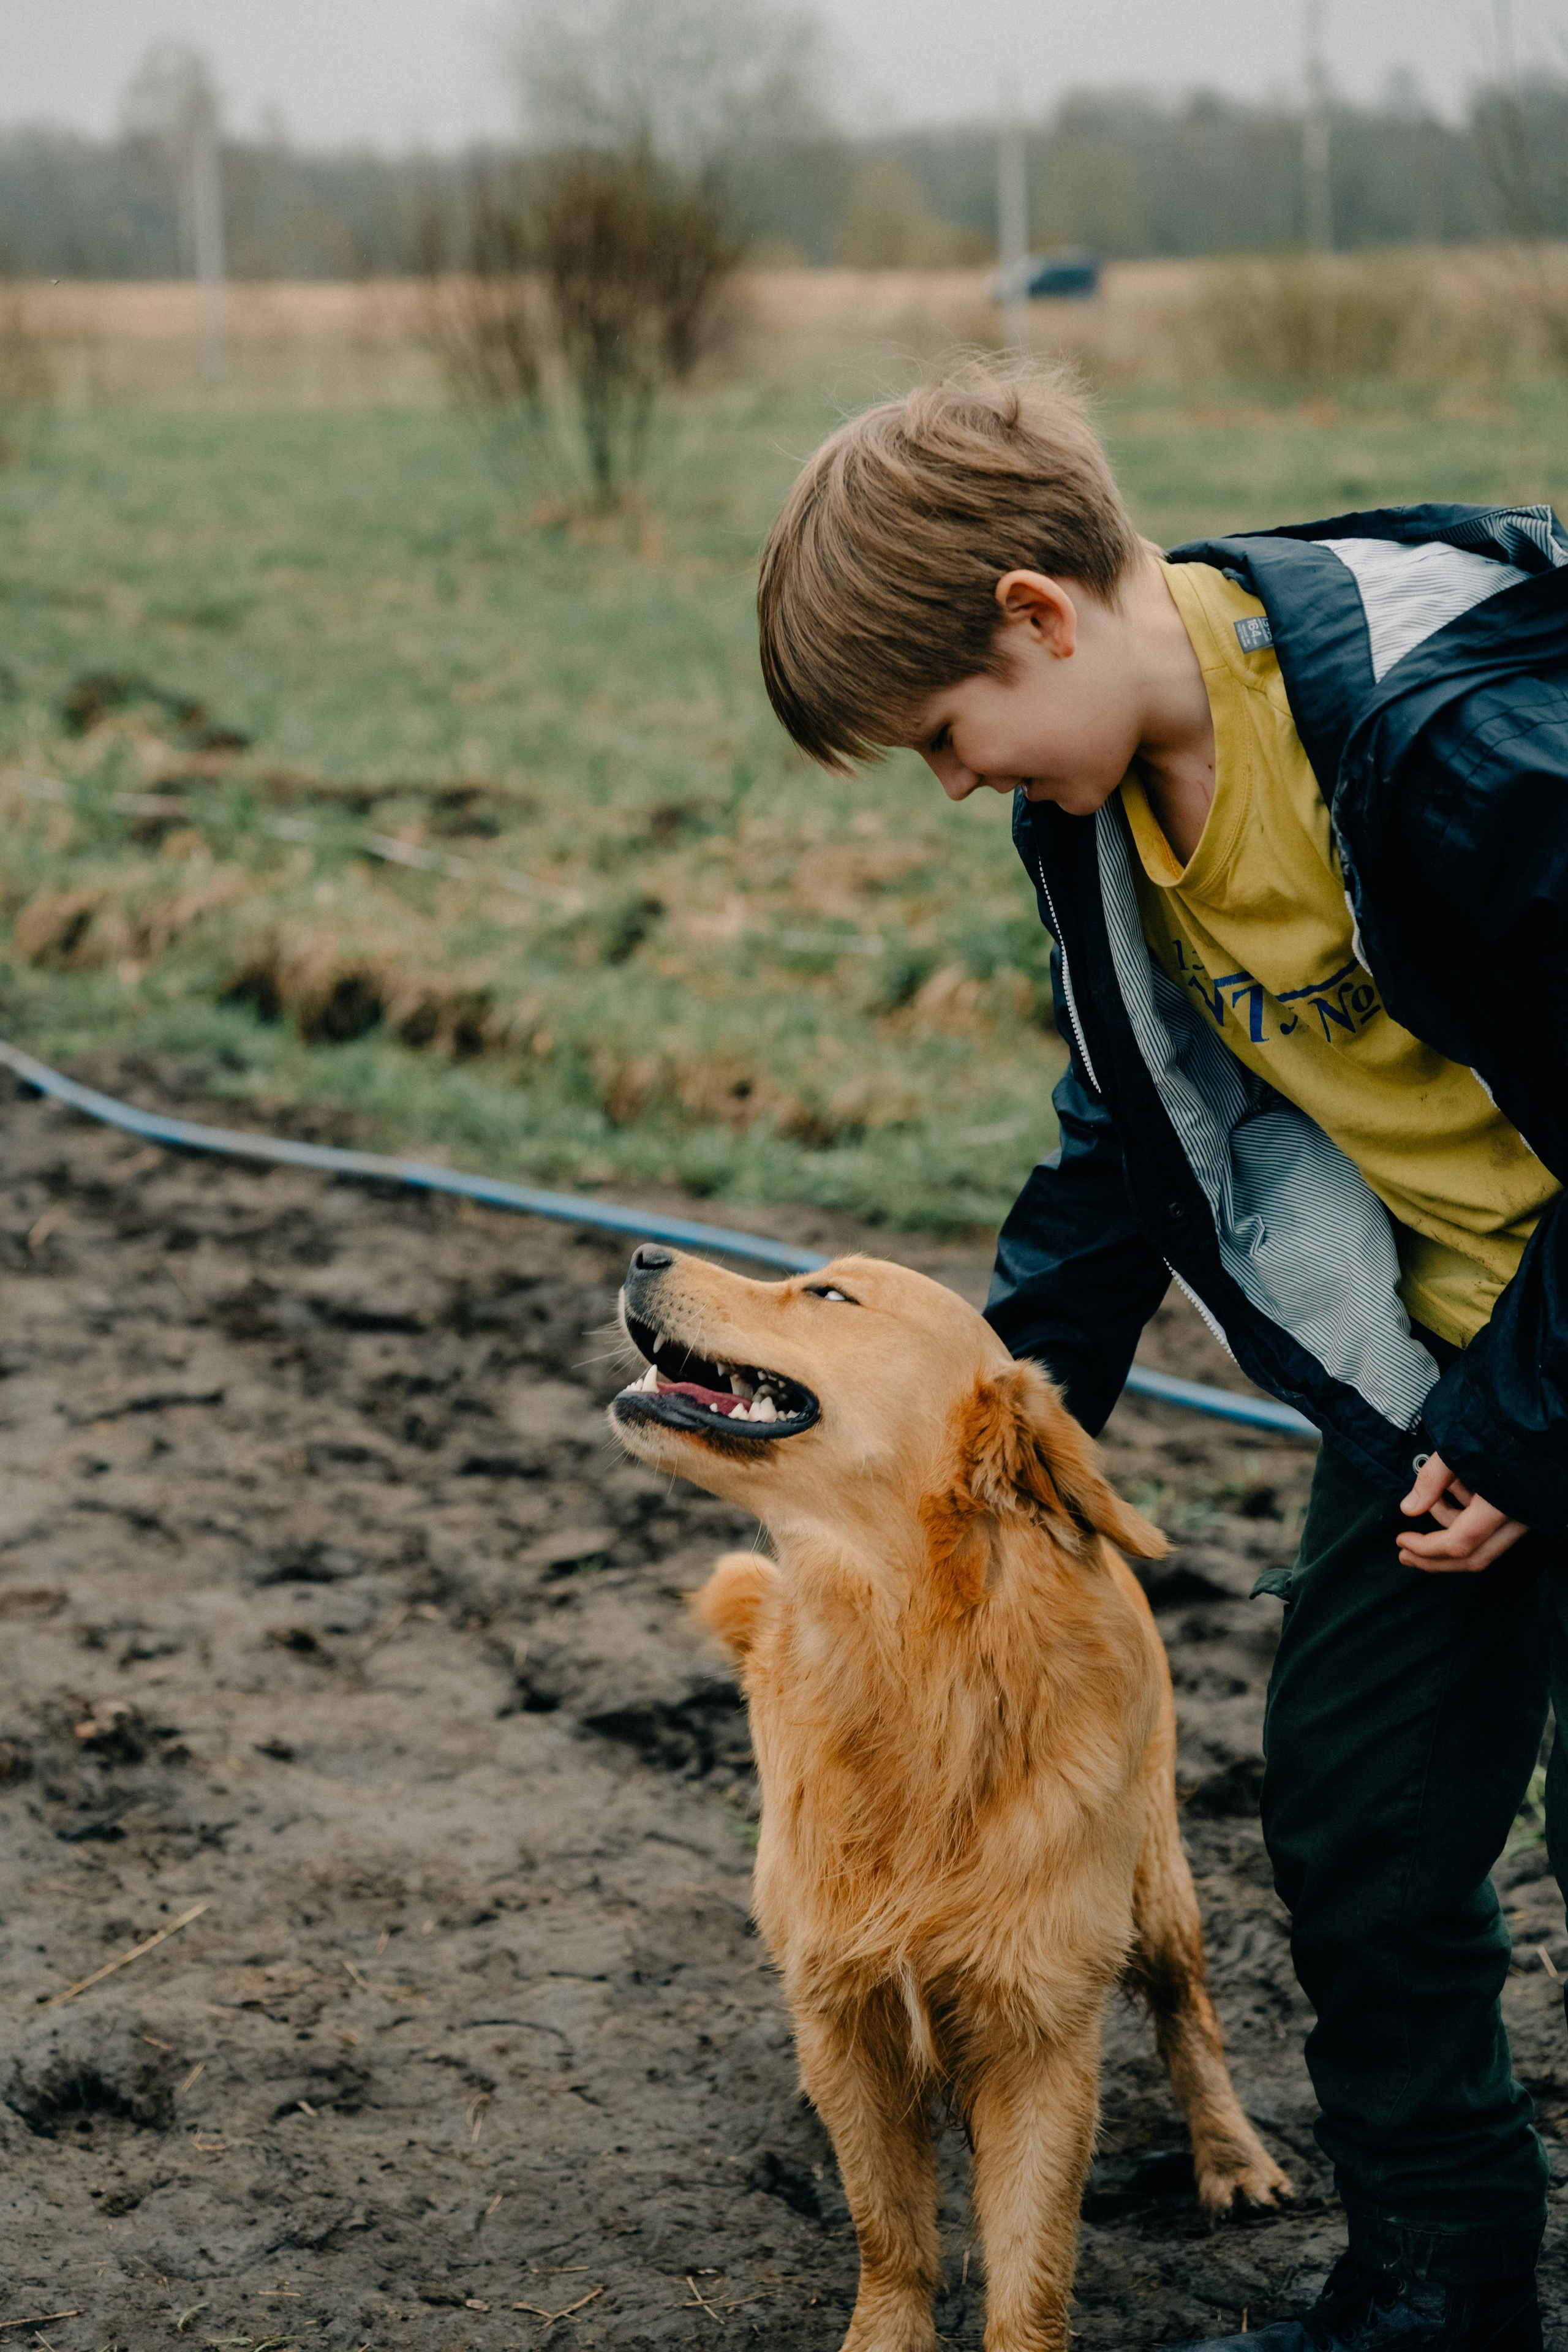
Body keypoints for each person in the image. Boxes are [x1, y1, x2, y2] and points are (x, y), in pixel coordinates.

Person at [754, 356, 1568, 2352]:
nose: (957, 785)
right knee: (1359, 1818)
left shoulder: (1456, 746)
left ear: (1037, 615)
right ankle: (1442, 2289)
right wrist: (981, 1439)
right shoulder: (1101, 800)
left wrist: (1528, 1424)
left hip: (1535, 1376)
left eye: (946, 736)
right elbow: (1128, 1132)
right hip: (1440, 1374)